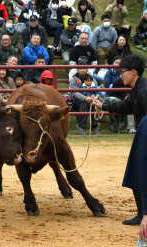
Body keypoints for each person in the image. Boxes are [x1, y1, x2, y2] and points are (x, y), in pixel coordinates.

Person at [92, 54, 147, 225]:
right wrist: (103, 106)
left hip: (145, 138)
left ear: (133, 72)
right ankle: (141, 214)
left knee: (139, 173)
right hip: (143, 137)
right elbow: (125, 106)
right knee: (137, 173)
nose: (120, 75)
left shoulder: (144, 91)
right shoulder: (138, 89)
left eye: (122, 72)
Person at [70, 61, 100, 135]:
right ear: (77, 70)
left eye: (84, 68)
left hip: (91, 98)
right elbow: (74, 92)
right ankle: (82, 127)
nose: (82, 70)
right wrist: (84, 98)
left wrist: (93, 97)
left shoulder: (91, 78)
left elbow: (96, 88)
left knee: (96, 103)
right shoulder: (73, 79)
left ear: (87, 69)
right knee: (84, 104)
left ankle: (95, 126)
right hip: (77, 100)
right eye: (80, 69)